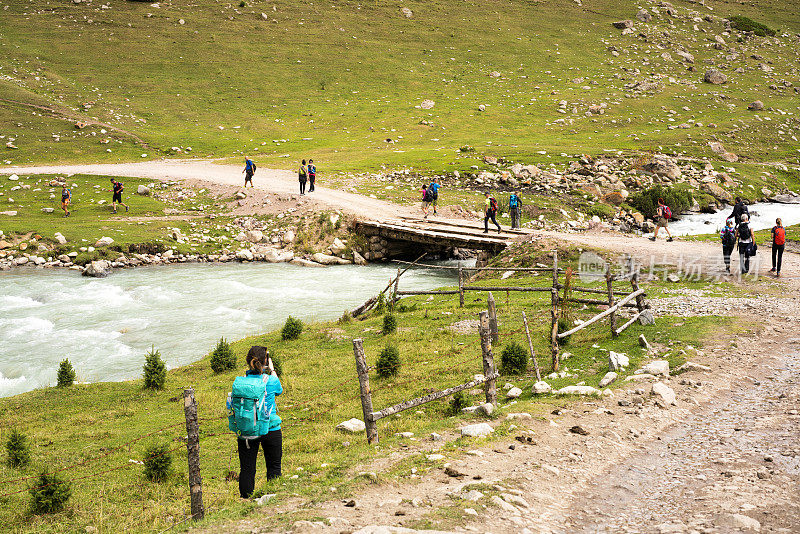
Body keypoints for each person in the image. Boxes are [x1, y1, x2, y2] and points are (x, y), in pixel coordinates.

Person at [228, 346, 283, 499]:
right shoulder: (271, 380)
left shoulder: (240, 383)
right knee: (273, 466)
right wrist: (272, 370)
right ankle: (273, 499)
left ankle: (246, 501)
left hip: (248, 430)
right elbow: (279, 390)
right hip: (271, 428)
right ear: (265, 362)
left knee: (247, 469)